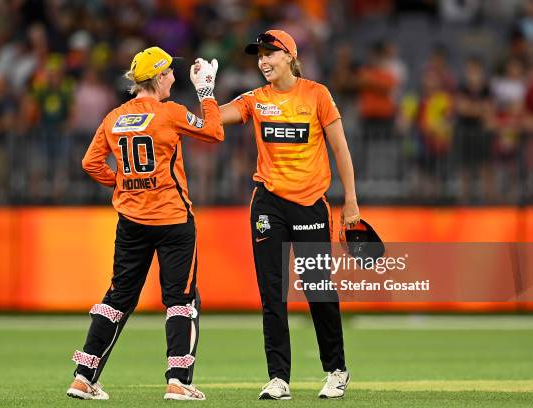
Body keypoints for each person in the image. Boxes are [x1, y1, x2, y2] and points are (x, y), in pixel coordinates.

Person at [66, 46, 224, 401]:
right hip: (172, 221)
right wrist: (207, 92)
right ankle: (178, 380)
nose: (173, 77)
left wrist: (122, 182)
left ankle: (83, 376)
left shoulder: (114, 117)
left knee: (117, 298)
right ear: (158, 77)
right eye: (169, 72)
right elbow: (215, 132)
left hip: (131, 222)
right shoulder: (170, 113)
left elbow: (90, 164)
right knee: (182, 300)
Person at [216, 30, 360, 399]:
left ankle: (336, 370)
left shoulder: (317, 94)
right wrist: (203, 94)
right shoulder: (256, 99)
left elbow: (341, 150)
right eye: (259, 56)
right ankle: (279, 378)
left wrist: (351, 202)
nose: (263, 61)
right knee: (272, 293)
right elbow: (213, 121)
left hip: (311, 202)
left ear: (290, 56)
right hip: (269, 204)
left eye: (270, 54)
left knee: (317, 288)